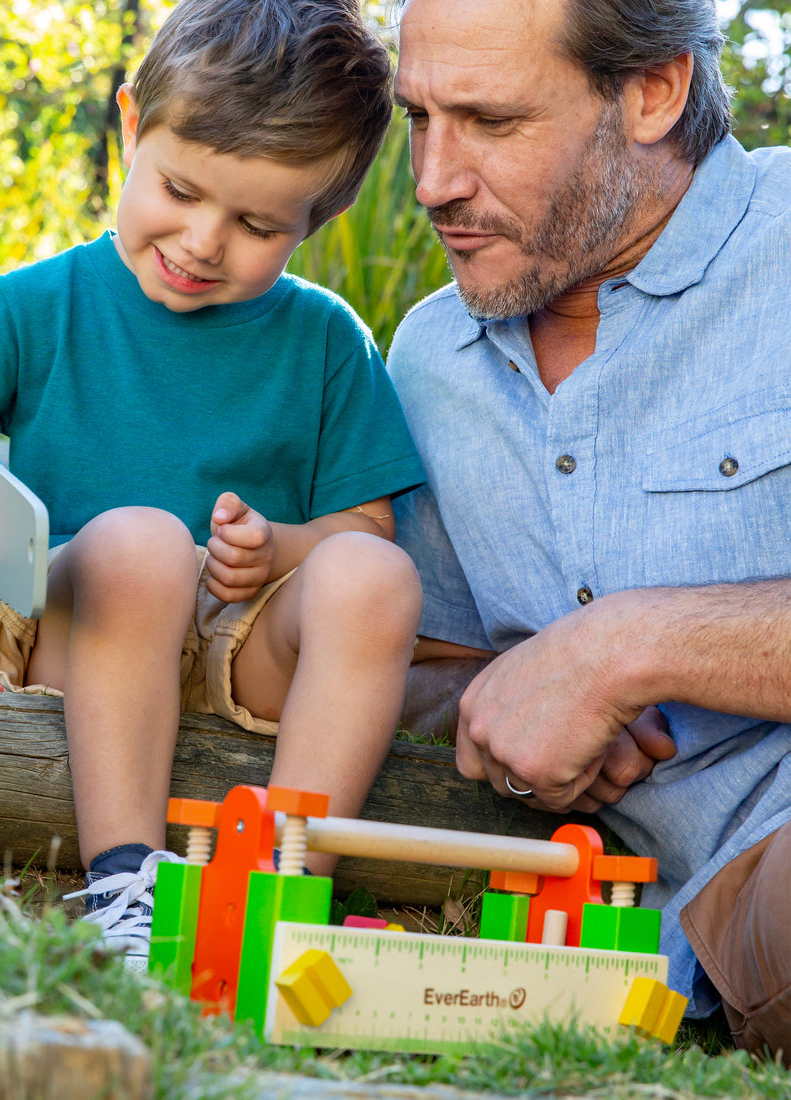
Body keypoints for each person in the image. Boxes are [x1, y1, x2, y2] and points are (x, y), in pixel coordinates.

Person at [0, 0, 425, 968]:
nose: (203, 241)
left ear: (314, 218)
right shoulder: (36, 304)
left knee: (377, 581)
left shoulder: (328, 343)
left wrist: (280, 547)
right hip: (83, 619)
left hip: (230, 645)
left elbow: (364, 527)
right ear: (132, 124)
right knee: (143, 542)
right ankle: (125, 884)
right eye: (178, 189)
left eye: (254, 224)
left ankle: (282, 892)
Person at [389, 0, 791, 1064]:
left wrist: (620, 647)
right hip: (664, 933)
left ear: (650, 92)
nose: (433, 180)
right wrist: (515, 709)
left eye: (488, 120)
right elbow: (429, 661)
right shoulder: (427, 361)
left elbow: (608, 654)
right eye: (416, 119)